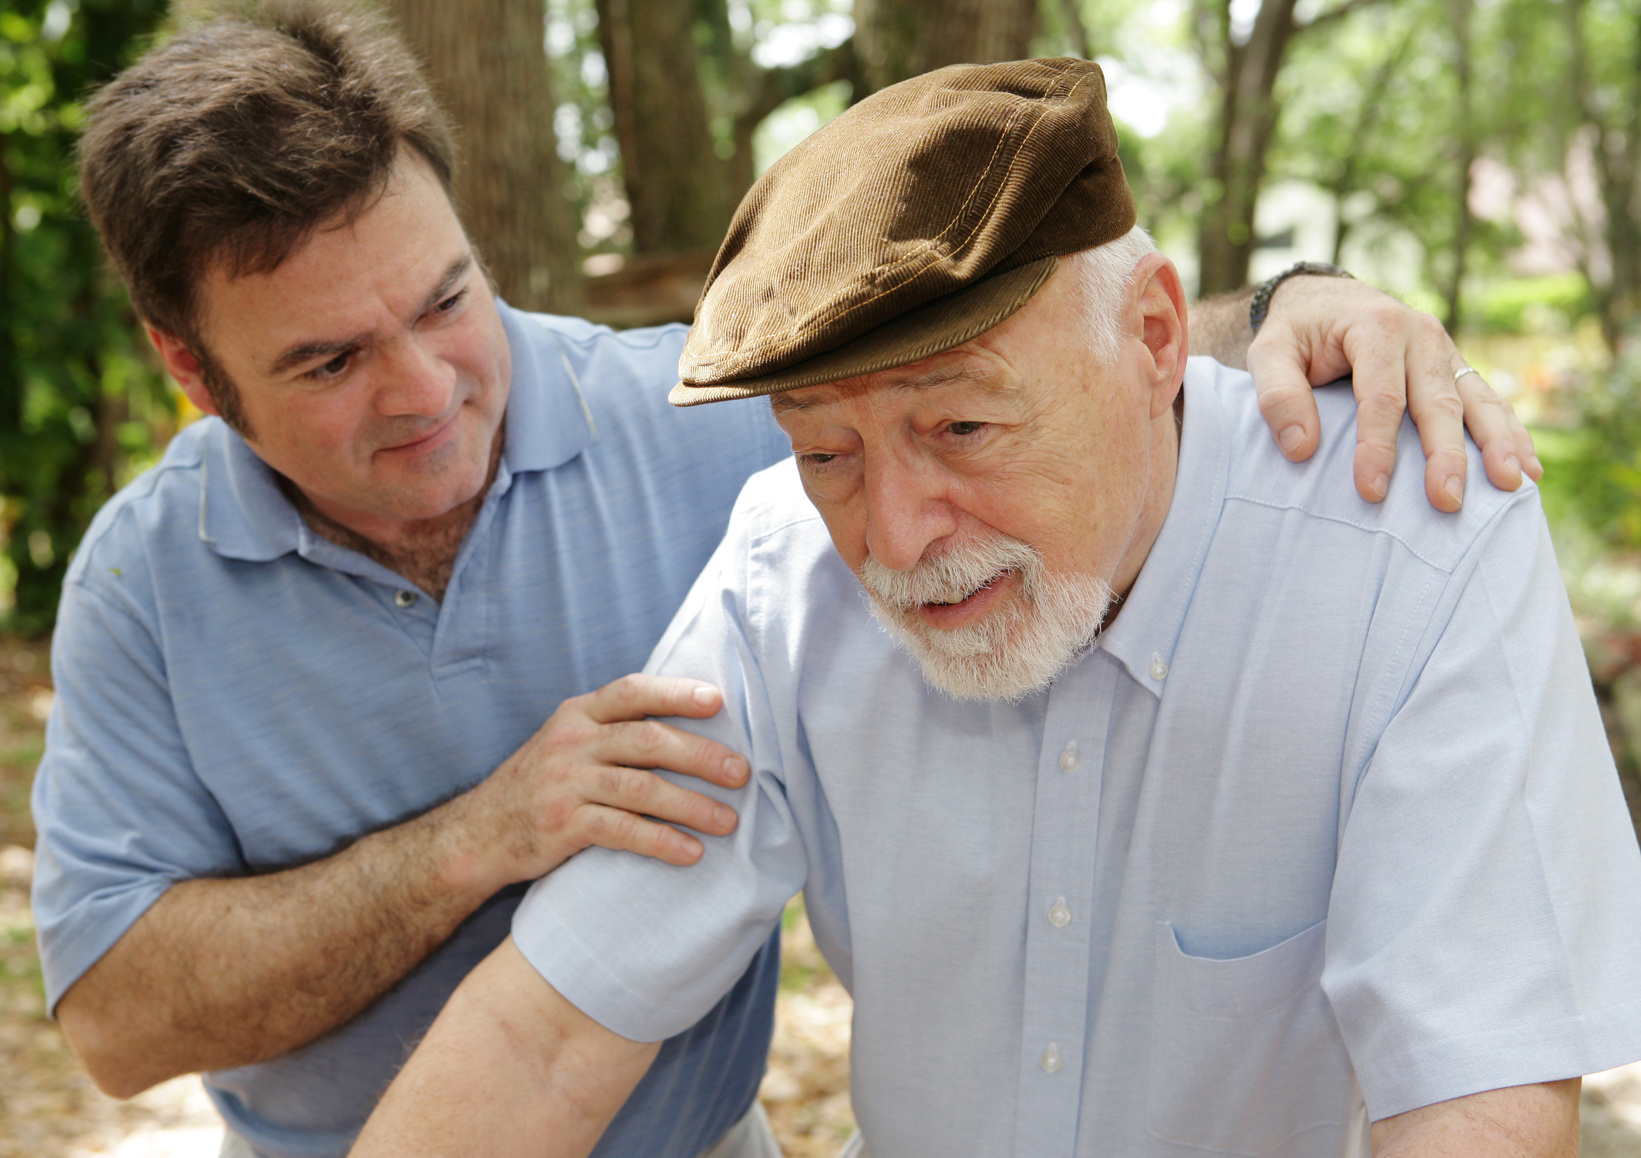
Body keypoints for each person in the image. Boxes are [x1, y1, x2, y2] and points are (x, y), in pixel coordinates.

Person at [32, 7, 1535, 1157]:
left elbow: (1009, 365)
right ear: (192, 367)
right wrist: (475, 839)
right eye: (330, 360)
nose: (427, 387)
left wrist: (1299, 307)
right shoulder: (143, 590)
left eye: (446, 300)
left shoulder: (705, 441)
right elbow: (114, 1020)